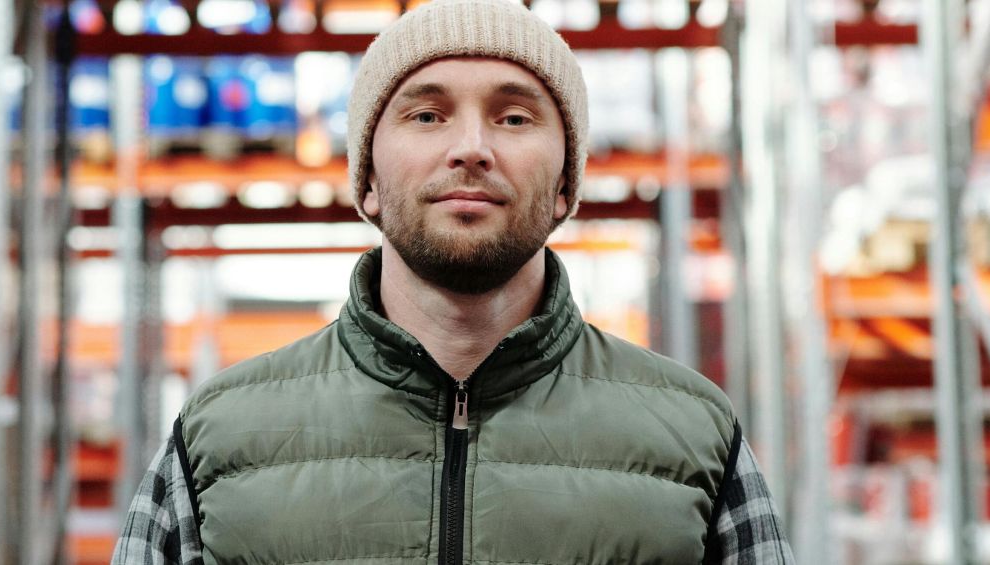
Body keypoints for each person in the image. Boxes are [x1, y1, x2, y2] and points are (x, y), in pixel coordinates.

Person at [111, 0, 793, 563]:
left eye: (514, 117)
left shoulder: (694, 439)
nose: (471, 147)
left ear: (566, 184)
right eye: (427, 115)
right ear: (368, 180)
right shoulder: (218, 443)